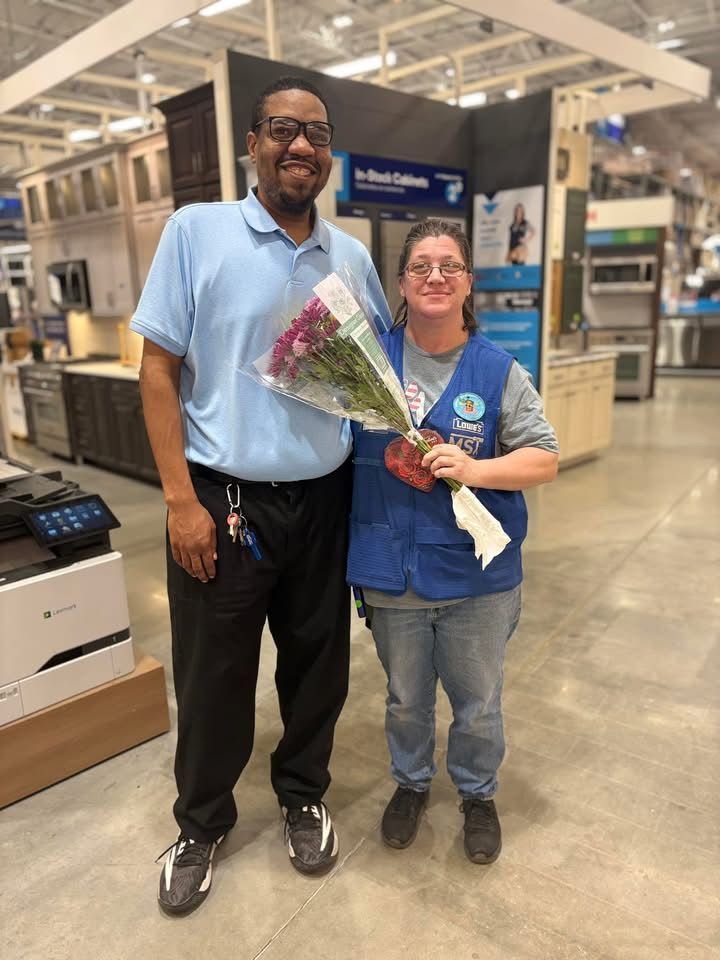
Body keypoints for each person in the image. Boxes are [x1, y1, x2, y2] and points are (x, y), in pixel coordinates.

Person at [131, 76, 391, 915]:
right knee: (213, 676)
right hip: (224, 499)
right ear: (252, 143)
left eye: (317, 135)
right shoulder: (195, 232)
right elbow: (159, 369)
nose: (301, 147)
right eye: (283, 130)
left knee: (319, 668)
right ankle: (201, 824)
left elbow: (375, 380)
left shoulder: (348, 258)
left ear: (329, 156)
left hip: (324, 501)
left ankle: (302, 794)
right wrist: (180, 500)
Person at [347, 219, 558, 864]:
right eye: (419, 267)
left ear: (467, 281)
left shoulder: (497, 370)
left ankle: (477, 793)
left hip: (477, 579)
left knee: (477, 704)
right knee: (406, 699)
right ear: (401, 283)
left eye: (449, 265)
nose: (434, 276)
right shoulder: (361, 362)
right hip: (391, 570)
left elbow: (543, 457)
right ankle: (411, 783)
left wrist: (476, 469)